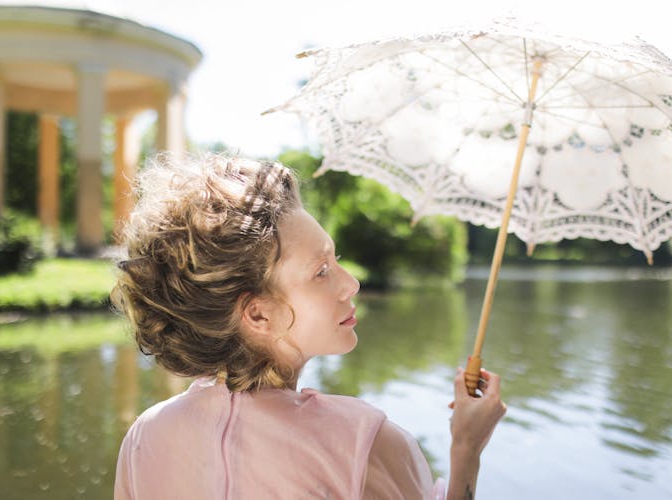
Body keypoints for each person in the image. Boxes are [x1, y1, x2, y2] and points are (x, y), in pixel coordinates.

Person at [112, 154, 506, 499]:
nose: (351, 284)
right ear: (258, 315)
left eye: (334, 260)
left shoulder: (145, 438)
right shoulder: (363, 446)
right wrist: (467, 448)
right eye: (321, 271)